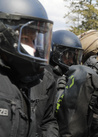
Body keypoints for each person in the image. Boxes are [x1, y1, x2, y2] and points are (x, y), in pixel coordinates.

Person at [0, 0, 57, 136]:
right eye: (25, 39)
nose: (32, 49)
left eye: (33, 41)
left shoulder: (39, 78)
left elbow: (48, 121)